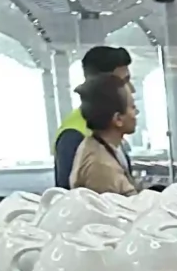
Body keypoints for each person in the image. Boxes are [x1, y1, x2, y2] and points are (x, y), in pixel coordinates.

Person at [54, 46, 131, 188]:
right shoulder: (73, 135)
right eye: (123, 82)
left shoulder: (109, 127)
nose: (130, 89)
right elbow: (70, 198)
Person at [69, 75, 139, 195]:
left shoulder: (100, 146)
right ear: (118, 119)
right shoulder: (101, 168)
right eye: (132, 107)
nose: (136, 113)